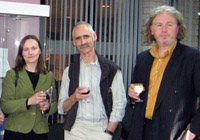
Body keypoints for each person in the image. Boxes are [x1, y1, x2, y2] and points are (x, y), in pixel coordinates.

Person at [126, 5, 200, 140]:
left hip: (174, 133)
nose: (164, 30)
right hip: (141, 131)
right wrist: (132, 96)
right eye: (159, 25)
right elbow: (136, 96)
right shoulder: (142, 58)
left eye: (169, 25)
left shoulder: (193, 58)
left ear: (178, 29)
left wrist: (190, 134)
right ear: (152, 30)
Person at [58, 21, 127, 140]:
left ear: (94, 37)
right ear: (74, 42)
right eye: (78, 38)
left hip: (101, 130)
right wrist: (74, 97)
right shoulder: (69, 71)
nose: (83, 42)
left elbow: (120, 104)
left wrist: (109, 132)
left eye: (86, 36)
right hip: (75, 131)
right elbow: (61, 108)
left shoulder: (112, 69)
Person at [1, 35, 58, 140]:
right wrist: (29, 101)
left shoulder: (49, 76)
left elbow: (54, 103)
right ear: (21, 53)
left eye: (34, 48)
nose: (30, 52)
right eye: (26, 49)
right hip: (16, 132)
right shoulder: (12, 74)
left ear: (40, 51)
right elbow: (5, 105)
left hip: (40, 132)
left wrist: (48, 107)